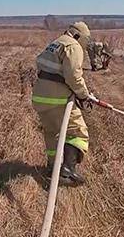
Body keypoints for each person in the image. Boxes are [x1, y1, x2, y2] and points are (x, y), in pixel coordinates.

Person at [32, 21, 93, 185]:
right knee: (77, 132)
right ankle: (67, 171)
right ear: (79, 36)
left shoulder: (56, 43)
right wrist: (83, 96)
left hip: (40, 96)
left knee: (52, 133)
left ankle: (53, 168)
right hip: (57, 98)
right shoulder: (73, 46)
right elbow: (73, 76)